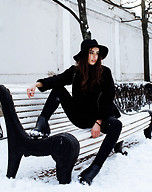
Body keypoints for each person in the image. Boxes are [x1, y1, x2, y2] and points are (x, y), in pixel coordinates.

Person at [27, 39, 122, 185]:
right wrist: (36, 84)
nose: (94, 57)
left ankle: (93, 169)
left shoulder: (105, 72)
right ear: (85, 54)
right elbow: (56, 80)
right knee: (58, 89)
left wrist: (99, 122)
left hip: (97, 118)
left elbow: (108, 99)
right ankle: (42, 123)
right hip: (79, 116)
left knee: (116, 125)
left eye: (97, 53)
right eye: (91, 53)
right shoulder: (75, 72)